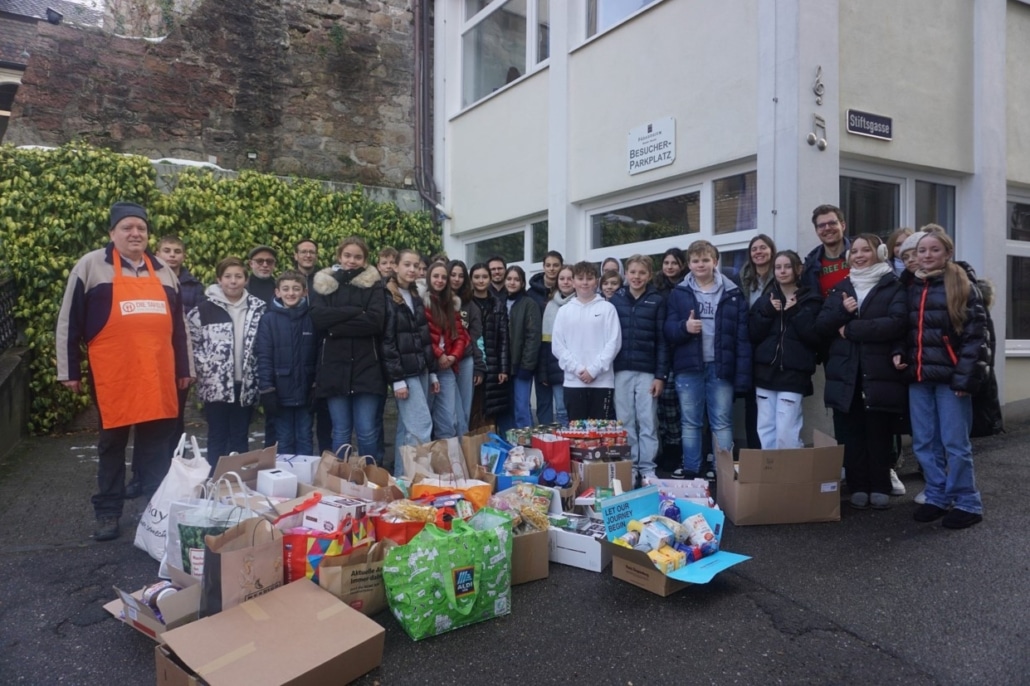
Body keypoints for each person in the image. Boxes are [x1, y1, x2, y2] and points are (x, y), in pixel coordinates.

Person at [56, 202, 192, 541]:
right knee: (111, 444)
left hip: (158, 374)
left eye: (141, 229)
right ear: (112, 233)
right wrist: (68, 369)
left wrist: (185, 368)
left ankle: (155, 510)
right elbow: (68, 320)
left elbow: (180, 327)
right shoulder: (91, 266)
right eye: (127, 227)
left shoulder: (163, 270)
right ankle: (108, 512)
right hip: (114, 375)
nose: (135, 233)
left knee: (156, 447)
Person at [894, 231, 987, 529]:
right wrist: (899, 352)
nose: (927, 255)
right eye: (922, 250)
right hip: (919, 377)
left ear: (947, 252)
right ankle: (936, 494)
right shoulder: (910, 285)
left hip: (950, 380)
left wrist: (965, 379)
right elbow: (902, 330)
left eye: (934, 249)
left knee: (955, 443)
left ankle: (967, 501)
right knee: (924, 443)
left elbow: (976, 338)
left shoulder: (961, 284)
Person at [814, 234, 908, 510]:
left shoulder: (892, 286)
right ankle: (857, 485)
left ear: (879, 252)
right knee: (851, 433)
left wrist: (851, 329)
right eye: (854, 251)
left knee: (878, 432)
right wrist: (842, 313)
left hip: (878, 372)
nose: (858, 255)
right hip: (846, 374)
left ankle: (879, 484)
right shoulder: (841, 289)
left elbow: (896, 323)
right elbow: (821, 327)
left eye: (865, 250)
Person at [664, 240, 751, 479]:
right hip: (689, 366)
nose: (700, 264)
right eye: (695, 260)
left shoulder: (732, 292)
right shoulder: (679, 293)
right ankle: (692, 467)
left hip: (721, 366)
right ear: (689, 265)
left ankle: (721, 469)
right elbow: (668, 330)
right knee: (690, 421)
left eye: (705, 259)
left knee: (721, 422)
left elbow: (742, 337)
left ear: (715, 261)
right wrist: (685, 327)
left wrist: (742, 375)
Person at [309, 237, 387, 461]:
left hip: (367, 368)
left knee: (366, 431)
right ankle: (340, 480)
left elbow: (375, 321)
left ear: (365, 260)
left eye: (358, 257)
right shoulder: (324, 284)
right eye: (348, 256)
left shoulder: (374, 285)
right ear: (339, 257)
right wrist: (355, 311)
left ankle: (371, 479)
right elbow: (318, 318)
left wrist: (335, 327)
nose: (352, 261)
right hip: (334, 368)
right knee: (341, 431)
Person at [188, 256, 266, 467]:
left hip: (245, 383)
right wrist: (205, 368)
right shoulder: (203, 310)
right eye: (228, 276)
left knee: (240, 435)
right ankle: (216, 479)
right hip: (216, 386)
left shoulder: (258, 309)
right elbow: (193, 344)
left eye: (238, 276)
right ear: (219, 280)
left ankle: (240, 480)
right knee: (217, 435)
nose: (233, 281)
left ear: (246, 279)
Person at [748, 251, 822, 449]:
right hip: (765, 372)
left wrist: (795, 312)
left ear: (798, 269)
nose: (782, 271)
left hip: (793, 374)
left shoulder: (811, 299)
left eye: (787, 266)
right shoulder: (766, 299)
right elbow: (753, 334)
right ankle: (771, 474)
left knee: (786, 430)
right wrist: (768, 311)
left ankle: (789, 474)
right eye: (778, 267)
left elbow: (815, 337)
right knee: (765, 428)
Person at [610, 255, 668, 483]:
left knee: (648, 421)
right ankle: (631, 466)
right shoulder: (616, 299)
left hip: (647, 372)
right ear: (626, 274)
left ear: (649, 276)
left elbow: (663, 341)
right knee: (625, 421)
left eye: (642, 273)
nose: (636, 277)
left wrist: (660, 376)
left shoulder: (657, 300)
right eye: (632, 272)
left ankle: (648, 469)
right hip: (621, 369)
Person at [153, 234, 204, 491]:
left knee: (176, 418)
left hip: (181, 361)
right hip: (153, 359)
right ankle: (146, 474)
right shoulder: (147, 280)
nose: (172, 255)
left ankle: (175, 471)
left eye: (177, 251)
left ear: (183, 256)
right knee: (150, 421)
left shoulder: (193, 287)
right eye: (167, 250)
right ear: (157, 253)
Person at [383, 249, 440, 474]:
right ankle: (418, 478)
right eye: (407, 264)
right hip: (405, 373)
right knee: (421, 427)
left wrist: (433, 372)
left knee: (406, 430)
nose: (412, 269)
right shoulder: (386, 296)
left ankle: (401, 480)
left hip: (422, 369)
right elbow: (387, 342)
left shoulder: (415, 295)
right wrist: (397, 380)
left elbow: (424, 338)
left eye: (416, 266)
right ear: (395, 266)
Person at [255, 271, 317, 456]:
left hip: (306, 391)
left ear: (305, 292)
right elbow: (264, 356)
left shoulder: (313, 318)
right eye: (286, 289)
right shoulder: (268, 320)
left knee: (305, 436)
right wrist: (267, 389)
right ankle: (286, 479)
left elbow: (319, 354)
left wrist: (316, 384)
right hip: (280, 392)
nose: (291, 293)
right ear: (277, 292)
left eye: (296, 289)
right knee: (284, 438)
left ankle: (305, 480)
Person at [552, 261, 622, 421]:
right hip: (573, 382)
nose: (585, 282)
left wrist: (594, 370)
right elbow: (557, 346)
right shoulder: (564, 311)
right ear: (573, 282)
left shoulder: (607, 308)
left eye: (589, 278)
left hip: (602, 382)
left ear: (596, 281)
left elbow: (614, 343)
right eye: (580, 278)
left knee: (600, 435)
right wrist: (577, 369)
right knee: (577, 436)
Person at [737, 234, 776, 449]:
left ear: (771, 250)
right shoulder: (742, 277)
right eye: (754, 249)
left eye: (763, 248)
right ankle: (753, 453)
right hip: (748, 346)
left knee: (771, 405)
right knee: (752, 404)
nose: (758, 252)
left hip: (771, 344)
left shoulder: (779, 274)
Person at [423, 261, 471, 439]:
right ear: (429, 277)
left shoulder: (451, 303)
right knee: (424, 420)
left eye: (444, 277)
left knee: (449, 420)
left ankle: (448, 462)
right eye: (436, 276)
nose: (440, 280)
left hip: (447, 366)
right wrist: (440, 354)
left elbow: (459, 335)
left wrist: (452, 356)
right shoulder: (422, 301)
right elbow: (423, 335)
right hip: (428, 366)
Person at [654, 247, 686, 471]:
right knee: (663, 406)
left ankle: (677, 452)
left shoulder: (687, 288)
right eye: (666, 263)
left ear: (682, 265)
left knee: (678, 407)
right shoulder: (656, 288)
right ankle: (665, 449)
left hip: (681, 352)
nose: (670, 267)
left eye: (674, 263)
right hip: (659, 352)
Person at [470, 262, 510, 427]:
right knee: (471, 408)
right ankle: (470, 448)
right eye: (477, 277)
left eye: (484, 277)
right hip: (471, 361)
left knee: (490, 411)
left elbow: (503, 338)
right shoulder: (465, 303)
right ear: (471, 280)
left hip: (493, 365)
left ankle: (489, 449)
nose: (481, 280)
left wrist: (503, 368)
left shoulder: (497, 304)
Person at [502, 265, 541, 431]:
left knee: (521, 409)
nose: (512, 282)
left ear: (522, 282)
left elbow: (533, 336)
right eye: (509, 279)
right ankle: (509, 447)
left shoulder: (529, 304)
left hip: (521, 366)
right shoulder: (500, 302)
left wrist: (527, 365)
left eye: (516, 279)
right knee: (505, 409)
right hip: (503, 367)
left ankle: (525, 448)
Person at [449, 260, 486, 435]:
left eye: (461, 276)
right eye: (453, 274)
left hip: (466, 361)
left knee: (464, 409)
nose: (456, 279)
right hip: (444, 363)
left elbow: (477, 338)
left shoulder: (471, 306)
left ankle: (463, 451)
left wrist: (479, 367)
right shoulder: (435, 301)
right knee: (450, 412)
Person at [528, 250, 564, 424]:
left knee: (563, 405)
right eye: (548, 265)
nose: (552, 269)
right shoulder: (531, 293)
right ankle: (545, 443)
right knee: (543, 403)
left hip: (560, 354)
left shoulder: (566, 291)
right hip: (539, 352)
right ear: (543, 267)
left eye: (556, 265)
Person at [540, 265, 576, 425]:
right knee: (561, 411)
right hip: (556, 368)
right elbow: (546, 345)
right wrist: (545, 372)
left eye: (570, 278)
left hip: (578, 369)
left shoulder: (581, 303)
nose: (566, 282)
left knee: (577, 412)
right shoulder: (550, 305)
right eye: (562, 278)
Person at [801, 204, 852, 299]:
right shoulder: (810, 265)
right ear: (816, 231)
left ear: (843, 225)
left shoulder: (862, 254)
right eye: (821, 225)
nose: (827, 228)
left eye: (832, 223)